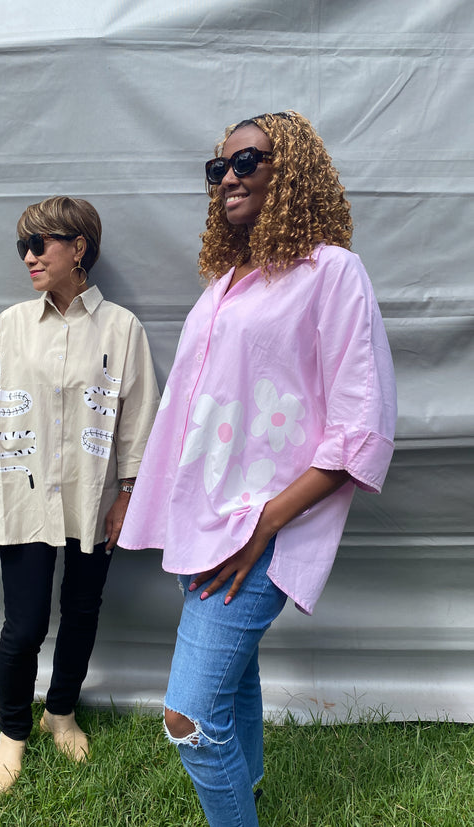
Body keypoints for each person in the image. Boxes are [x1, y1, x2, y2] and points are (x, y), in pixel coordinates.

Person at [119, 111, 397, 826]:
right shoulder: (226, 284)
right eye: (218, 169)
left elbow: (358, 426)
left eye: (247, 161)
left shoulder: (330, 270)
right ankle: (252, 793)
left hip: (263, 526)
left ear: (292, 168)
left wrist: (264, 522)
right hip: (205, 519)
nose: (229, 178)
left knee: (188, 716)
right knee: (234, 682)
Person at [0, 196, 160, 798]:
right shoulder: (11, 323)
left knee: (84, 609)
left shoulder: (122, 329)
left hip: (94, 495)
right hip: (24, 491)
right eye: (24, 247)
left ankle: (59, 711)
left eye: (41, 244)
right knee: (24, 623)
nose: (30, 257)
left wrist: (128, 494)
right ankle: (12, 732)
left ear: (80, 247)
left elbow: (139, 416)